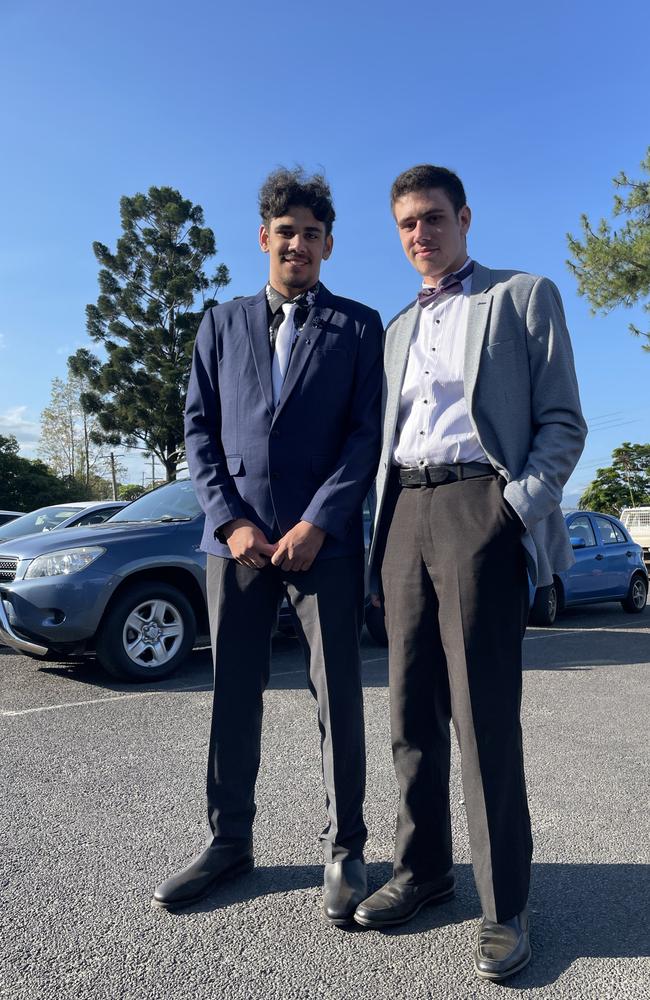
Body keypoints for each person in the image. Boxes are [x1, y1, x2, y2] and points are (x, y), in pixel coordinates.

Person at [354, 165, 586, 980]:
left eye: (433, 219)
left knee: (483, 718)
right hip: (404, 516)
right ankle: (423, 871)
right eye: (407, 225)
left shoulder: (522, 297)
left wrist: (513, 509)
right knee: (410, 712)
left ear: (464, 218)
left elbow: (563, 419)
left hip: (479, 506)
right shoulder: (394, 330)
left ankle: (504, 904)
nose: (421, 235)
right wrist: (377, 540)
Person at [152, 168, 383, 925]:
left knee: (338, 697)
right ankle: (228, 842)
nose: (299, 244)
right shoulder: (220, 324)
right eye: (286, 232)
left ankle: (346, 847)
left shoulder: (358, 325)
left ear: (328, 244)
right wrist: (230, 521)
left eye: (313, 234)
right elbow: (198, 432)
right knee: (231, 696)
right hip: (238, 545)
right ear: (264, 238)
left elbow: (363, 437)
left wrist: (319, 520)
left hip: (326, 545)